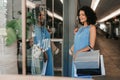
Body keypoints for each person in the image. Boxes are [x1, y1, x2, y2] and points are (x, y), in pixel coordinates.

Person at [71, 6, 97, 77]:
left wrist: (79, 52)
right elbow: (78, 42)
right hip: (76, 57)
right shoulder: (79, 29)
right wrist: (71, 49)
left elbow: (91, 45)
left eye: (83, 14)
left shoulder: (92, 28)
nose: (80, 17)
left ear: (88, 15)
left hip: (84, 57)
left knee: (83, 76)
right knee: (75, 76)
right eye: (79, 15)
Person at [31, 10, 54, 76]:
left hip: (47, 52)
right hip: (42, 54)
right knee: (42, 74)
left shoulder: (43, 28)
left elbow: (44, 38)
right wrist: (44, 53)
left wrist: (48, 32)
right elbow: (39, 43)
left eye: (43, 15)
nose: (41, 17)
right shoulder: (37, 28)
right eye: (40, 15)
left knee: (46, 73)